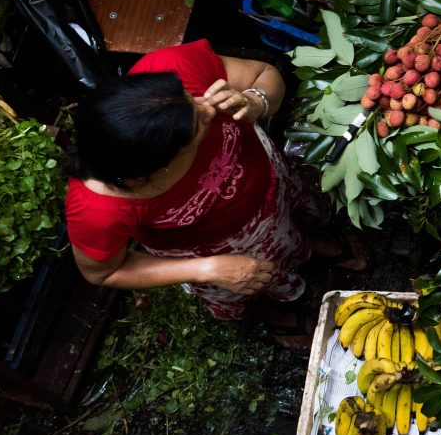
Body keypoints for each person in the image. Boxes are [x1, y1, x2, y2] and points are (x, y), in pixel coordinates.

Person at [65, 39, 353, 348]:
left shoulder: (173, 71)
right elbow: (103, 273)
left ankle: (312, 240)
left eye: (193, 99)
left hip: (270, 179)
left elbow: (265, 74)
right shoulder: (98, 209)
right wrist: (207, 268)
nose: (207, 106)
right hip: (216, 249)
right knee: (246, 284)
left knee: (299, 217)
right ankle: (269, 308)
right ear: (158, 170)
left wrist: (256, 102)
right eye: (198, 124)